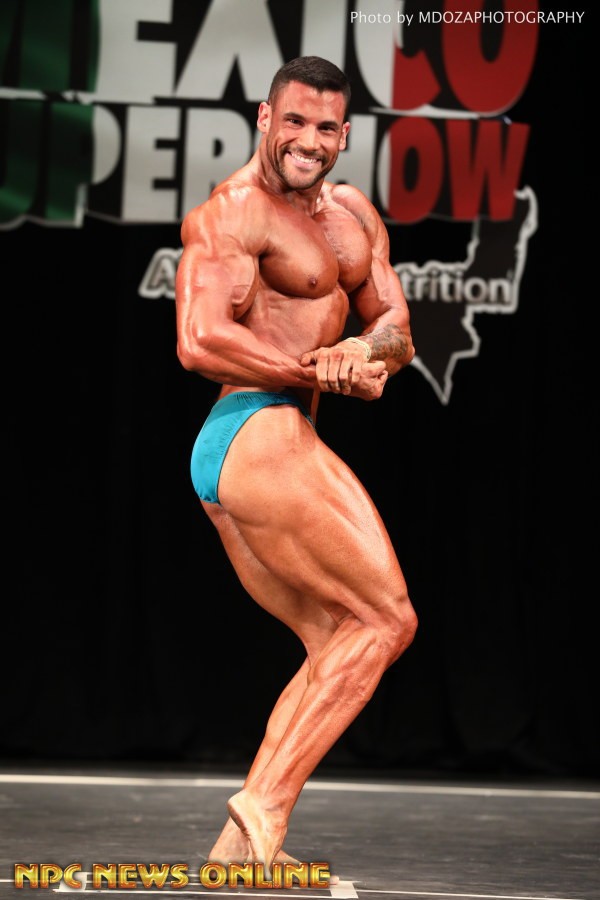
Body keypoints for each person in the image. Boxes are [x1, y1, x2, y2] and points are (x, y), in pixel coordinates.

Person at [175, 55, 418, 876]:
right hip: (255, 428)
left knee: (339, 642)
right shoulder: (234, 212)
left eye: (325, 127)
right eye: (294, 121)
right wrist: (315, 370)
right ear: (264, 118)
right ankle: (266, 804)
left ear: (344, 135)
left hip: (267, 441)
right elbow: (199, 340)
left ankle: (242, 851)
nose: (308, 140)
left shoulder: (353, 216)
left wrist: (365, 351)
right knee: (388, 621)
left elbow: (395, 325)